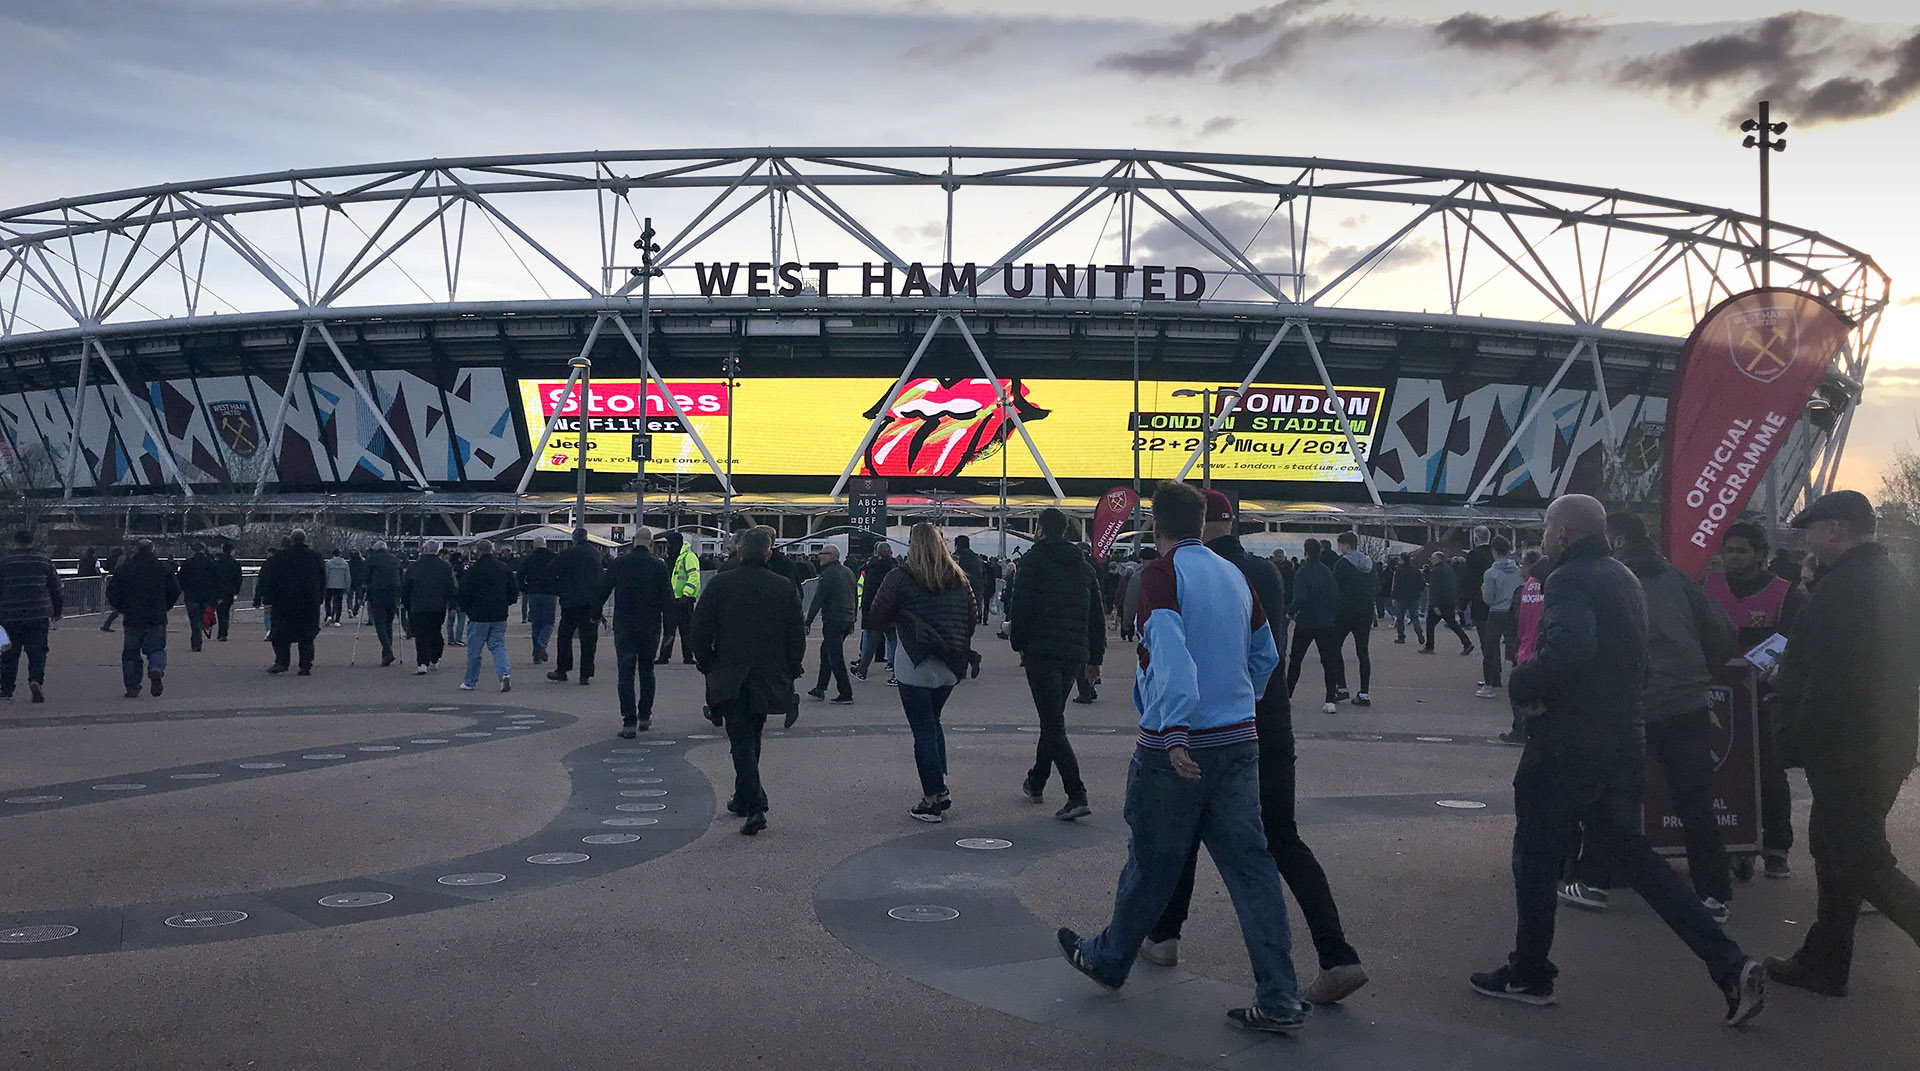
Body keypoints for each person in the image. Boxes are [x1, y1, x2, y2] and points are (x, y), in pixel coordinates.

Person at [1472, 493, 1764, 1026]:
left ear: (1563, 532)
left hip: (1567, 742)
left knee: (1535, 856)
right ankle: (1728, 961)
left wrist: (1523, 683)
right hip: (1622, 738)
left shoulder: (1569, 578)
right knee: (1638, 859)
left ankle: (1530, 972)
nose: (1542, 536)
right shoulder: (1625, 579)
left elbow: (1571, 648)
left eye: (1545, 525)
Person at [1058, 480, 1303, 1035]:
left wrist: (1174, 728)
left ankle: (1109, 957)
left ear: (1156, 525)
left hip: (1180, 744)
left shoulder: (1161, 575)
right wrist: (1241, 699)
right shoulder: (1236, 576)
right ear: (1200, 522)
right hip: (1238, 740)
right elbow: (1266, 653)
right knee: (1252, 868)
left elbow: (1168, 652)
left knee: (1152, 859)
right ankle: (1279, 992)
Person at [1143, 491, 1369, 1006]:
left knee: (1187, 830)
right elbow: (1267, 651)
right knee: (1282, 836)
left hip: (1215, 726)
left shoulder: (1193, 571)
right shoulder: (1264, 572)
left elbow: (1175, 651)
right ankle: (1336, 953)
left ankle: (1162, 936)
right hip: (1270, 721)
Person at [1764, 490, 1920, 998]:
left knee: (1863, 862)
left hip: (1850, 748)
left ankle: (1825, 961)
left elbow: (1829, 682)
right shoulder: (1884, 581)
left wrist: (1792, 741)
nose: (1806, 541)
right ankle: (1824, 961)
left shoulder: (1847, 589)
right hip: (1874, 743)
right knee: (1834, 851)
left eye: (1811, 530)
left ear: (1834, 530)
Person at [1561, 512, 1737, 922]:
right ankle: (1713, 895)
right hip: (1686, 703)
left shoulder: (1604, 580)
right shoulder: (1678, 579)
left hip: (1628, 707)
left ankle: (1594, 881)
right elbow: (1722, 633)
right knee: (1695, 802)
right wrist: (1697, 673)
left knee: (1613, 797)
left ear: (1616, 538)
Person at [691, 526, 805, 836]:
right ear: (768, 553)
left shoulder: (721, 583)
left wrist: (706, 661)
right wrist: (793, 667)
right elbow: (796, 633)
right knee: (751, 734)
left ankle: (753, 803)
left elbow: (700, 626)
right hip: (768, 672)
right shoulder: (783, 587)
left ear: (740, 551)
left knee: (741, 737)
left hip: (730, 671)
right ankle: (746, 798)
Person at [1705, 521, 1804, 878]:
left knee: (1769, 773)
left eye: (1742, 550)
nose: (1733, 557)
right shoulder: (1708, 586)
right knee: (1727, 771)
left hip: (1763, 695)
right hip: (1717, 696)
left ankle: (1776, 847)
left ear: (1760, 555)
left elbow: (1792, 638)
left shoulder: (1784, 593)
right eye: (1728, 550)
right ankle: (1737, 844)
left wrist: (1756, 665)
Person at [867, 523, 979, 823]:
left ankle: (933, 798)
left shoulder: (900, 577)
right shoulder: (958, 577)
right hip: (951, 662)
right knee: (933, 720)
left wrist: (898, 624)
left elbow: (876, 615)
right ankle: (940, 785)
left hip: (915, 660)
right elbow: (973, 617)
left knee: (923, 729)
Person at [1008, 507, 1105, 821]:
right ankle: (1036, 780)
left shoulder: (1033, 561)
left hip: (1041, 652)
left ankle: (1076, 793)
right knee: (1052, 717)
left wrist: (1018, 643)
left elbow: (1020, 605)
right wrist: (1094, 658)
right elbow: (1096, 615)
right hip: (1073, 654)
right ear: (1066, 531)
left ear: (1039, 529)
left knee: (1053, 723)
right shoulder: (1083, 565)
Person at [600, 529, 671, 735]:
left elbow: (603, 590)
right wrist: (669, 630)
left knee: (626, 672)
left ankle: (628, 721)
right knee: (647, 671)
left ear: (633, 542)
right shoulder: (659, 566)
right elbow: (667, 599)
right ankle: (645, 716)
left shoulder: (619, 563)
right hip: (650, 627)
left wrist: (596, 614)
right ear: (651, 544)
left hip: (624, 625)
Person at [105, 538, 180, 698]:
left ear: (137, 549)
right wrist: (165, 606)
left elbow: (112, 591)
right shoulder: (163, 568)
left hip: (133, 616)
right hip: (156, 615)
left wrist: (122, 607)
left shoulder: (125, 568)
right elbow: (175, 590)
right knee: (157, 648)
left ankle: (132, 687)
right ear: (153, 549)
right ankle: (156, 668)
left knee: (131, 653)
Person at [0, 529, 63, 703]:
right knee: (37, 651)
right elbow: (56, 588)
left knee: (8, 653)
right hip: (38, 613)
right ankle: (35, 680)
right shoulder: (43, 560)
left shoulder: (4, 562)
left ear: (15, 541)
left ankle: (6, 689)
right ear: (32, 541)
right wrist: (57, 611)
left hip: (8, 616)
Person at [1285, 538, 1342, 714]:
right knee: (1328, 660)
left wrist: (1291, 611)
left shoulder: (1302, 572)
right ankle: (1330, 699)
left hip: (1306, 622)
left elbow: (1300, 597)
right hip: (1325, 622)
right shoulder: (1327, 572)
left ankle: (1288, 696)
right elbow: (1335, 596)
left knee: (1296, 659)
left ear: (1306, 552)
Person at [259, 529, 325, 676]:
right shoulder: (315, 557)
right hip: (308, 602)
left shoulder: (280, 557)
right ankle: (305, 665)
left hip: (284, 602)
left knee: (281, 634)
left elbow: (271, 580)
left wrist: (268, 598)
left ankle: (281, 662)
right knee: (306, 635)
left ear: (292, 539)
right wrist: (320, 597)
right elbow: (322, 580)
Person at [1500, 550, 1548, 746]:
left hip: (1526, 646)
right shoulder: (1548, 586)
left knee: (1518, 690)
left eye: (1522, 565)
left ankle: (1520, 729)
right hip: (1540, 646)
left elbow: (1517, 619)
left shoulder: (1525, 588)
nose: (1520, 568)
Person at [456, 540, 517, 692]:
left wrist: (465, 608)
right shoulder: (504, 568)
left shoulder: (473, 570)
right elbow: (513, 590)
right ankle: (504, 674)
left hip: (478, 615)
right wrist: (507, 602)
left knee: (474, 651)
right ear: (493, 550)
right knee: (498, 646)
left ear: (478, 551)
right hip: (499, 613)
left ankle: (470, 681)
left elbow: (464, 592)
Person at [546, 527, 605, 685]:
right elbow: (600, 577)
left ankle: (563, 669)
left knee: (565, 636)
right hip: (590, 602)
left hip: (570, 602)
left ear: (574, 539)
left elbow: (550, 571)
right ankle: (585, 673)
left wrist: (560, 588)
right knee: (589, 639)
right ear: (587, 537)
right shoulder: (595, 554)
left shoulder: (567, 553)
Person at [804, 543, 857, 704]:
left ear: (832, 556)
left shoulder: (828, 574)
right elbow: (854, 595)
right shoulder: (848, 572)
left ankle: (845, 692)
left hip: (834, 619)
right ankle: (820, 687)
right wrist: (853, 618)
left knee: (835, 657)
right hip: (846, 618)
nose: (820, 556)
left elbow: (818, 599)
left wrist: (808, 621)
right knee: (826, 651)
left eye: (823, 553)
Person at [1330, 531, 1376, 707]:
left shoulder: (1342, 564)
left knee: (1334, 647)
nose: (1339, 548)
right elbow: (1375, 587)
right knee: (1362, 652)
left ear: (1346, 545)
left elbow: (1335, 589)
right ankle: (1364, 693)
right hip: (1365, 612)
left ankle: (1341, 687)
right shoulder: (1369, 564)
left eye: (1340, 545)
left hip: (1345, 612)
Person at [1476, 537, 1524, 698]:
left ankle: (1489, 684)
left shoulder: (1491, 573)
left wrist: (1484, 591)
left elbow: (1488, 599)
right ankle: (1519, 683)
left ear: (1494, 551)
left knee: (1490, 648)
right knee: (1515, 648)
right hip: (1514, 612)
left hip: (1496, 612)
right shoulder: (1517, 570)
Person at [402, 540, 457, 674]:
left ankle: (422, 663)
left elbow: (406, 587)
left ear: (424, 549)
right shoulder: (445, 567)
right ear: (437, 550)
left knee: (421, 634)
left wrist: (407, 604)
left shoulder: (414, 566)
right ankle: (435, 657)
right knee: (435, 631)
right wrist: (453, 606)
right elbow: (451, 587)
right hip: (438, 606)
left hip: (418, 605)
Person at [854, 541, 898, 681]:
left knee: (871, 642)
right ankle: (897, 673)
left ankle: (862, 670)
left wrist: (865, 610)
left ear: (877, 553)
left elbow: (869, 592)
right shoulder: (895, 568)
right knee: (894, 641)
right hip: (892, 608)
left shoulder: (872, 568)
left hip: (875, 608)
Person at [657, 531, 702, 664]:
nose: (668, 546)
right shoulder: (671, 558)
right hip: (671, 600)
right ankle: (664, 656)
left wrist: (686, 594)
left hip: (684, 600)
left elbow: (694, 577)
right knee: (669, 629)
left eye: (669, 543)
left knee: (686, 630)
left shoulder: (688, 556)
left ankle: (688, 657)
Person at [1421, 550, 1474, 655]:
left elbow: (1435, 588)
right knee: (1453, 624)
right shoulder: (1449, 570)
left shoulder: (1436, 571)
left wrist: (1435, 605)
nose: (1431, 560)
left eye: (1432, 558)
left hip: (1439, 602)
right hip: (1449, 602)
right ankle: (1467, 643)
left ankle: (1429, 646)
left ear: (1437, 559)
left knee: (1430, 624)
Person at [175, 541, 222, 653]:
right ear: (203, 549)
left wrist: (183, 589)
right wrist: (217, 595)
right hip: (206, 595)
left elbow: (180, 579)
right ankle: (199, 636)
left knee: (194, 619)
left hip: (191, 595)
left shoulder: (187, 563)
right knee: (201, 617)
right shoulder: (210, 563)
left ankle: (196, 641)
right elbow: (217, 580)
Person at [518, 540, 559, 663]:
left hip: (534, 593)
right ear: (545, 545)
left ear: (534, 546)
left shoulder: (529, 558)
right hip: (550, 593)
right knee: (548, 622)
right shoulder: (553, 557)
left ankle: (536, 654)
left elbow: (520, 575)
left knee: (536, 623)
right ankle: (542, 643)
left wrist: (525, 588)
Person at [364, 540, 403, 667]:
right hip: (393, 595)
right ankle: (387, 653)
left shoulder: (371, 560)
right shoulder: (395, 560)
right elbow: (400, 576)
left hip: (378, 594)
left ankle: (387, 652)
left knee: (380, 623)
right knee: (388, 624)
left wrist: (364, 592)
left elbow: (366, 578)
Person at [1391, 552, 1426, 645]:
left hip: (1401, 598)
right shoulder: (1415, 570)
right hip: (1414, 597)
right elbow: (1422, 584)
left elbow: (1396, 585)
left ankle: (1401, 637)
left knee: (1400, 618)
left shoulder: (1399, 571)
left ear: (1402, 560)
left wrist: (1394, 597)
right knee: (1414, 617)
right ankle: (1419, 632)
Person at [213, 540, 242, 642]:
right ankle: (224, 632)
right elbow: (238, 579)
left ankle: (222, 632)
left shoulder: (217, 563)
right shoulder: (235, 563)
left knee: (220, 612)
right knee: (226, 611)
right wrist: (237, 591)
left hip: (219, 591)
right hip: (230, 591)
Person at [443, 549, 468, 646]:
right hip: (461, 597)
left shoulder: (448, 568)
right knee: (461, 619)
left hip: (450, 597)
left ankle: (450, 638)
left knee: (450, 619)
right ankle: (458, 638)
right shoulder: (461, 569)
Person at [323, 549, 350, 626]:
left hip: (329, 585)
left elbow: (326, 575)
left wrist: (324, 585)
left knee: (328, 601)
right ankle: (337, 620)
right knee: (338, 603)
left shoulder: (328, 563)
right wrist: (347, 586)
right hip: (340, 585)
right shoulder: (345, 564)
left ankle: (328, 615)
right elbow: (347, 577)